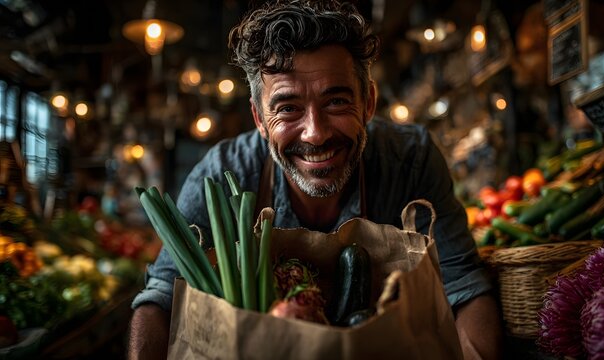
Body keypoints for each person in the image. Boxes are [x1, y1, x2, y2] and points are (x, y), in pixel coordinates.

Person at [128, 1, 502, 358]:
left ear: (368, 102)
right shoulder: (224, 176)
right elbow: (162, 297)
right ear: (259, 119)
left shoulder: (409, 160)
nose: (315, 134)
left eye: (336, 102)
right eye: (288, 108)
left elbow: (463, 286)